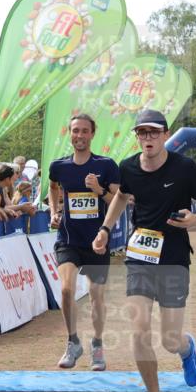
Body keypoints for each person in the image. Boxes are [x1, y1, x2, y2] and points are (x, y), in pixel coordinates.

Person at [92, 109, 196, 392]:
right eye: (142, 132)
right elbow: (120, 197)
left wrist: (195, 220)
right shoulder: (128, 166)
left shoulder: (184, 168)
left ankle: (187, 349)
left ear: (165, 134)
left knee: (170, 340)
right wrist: (105, 229)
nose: (148, 138)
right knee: (139, 329)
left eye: (154, 132)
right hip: (140, 258)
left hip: (173, 258)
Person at [48, 113, 121, 371]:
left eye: (84, 131)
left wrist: (99, 190)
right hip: (68, 239)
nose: (79, 135)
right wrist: (53, 210)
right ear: (70, 133)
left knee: (96, 295)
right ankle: (73, 342)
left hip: (97, 242)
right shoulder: (59, 166)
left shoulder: (106, 165)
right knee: (67, 290)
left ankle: (97, 345)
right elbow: (53, 187)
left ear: (92, 134)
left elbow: (118, 201)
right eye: (75, 130)